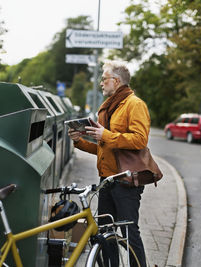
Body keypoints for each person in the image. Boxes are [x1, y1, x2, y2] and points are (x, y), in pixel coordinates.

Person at [68, 60, 150, 267]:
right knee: (106, 233)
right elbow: (103, 148)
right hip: (107, 181)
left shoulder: (135, 104)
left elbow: (140, 140)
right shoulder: (107, 108)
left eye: (104, 79)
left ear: (116, 81)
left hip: (126, 181)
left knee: (129, 232)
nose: (101, 83)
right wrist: (79, 141)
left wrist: (106, 135)